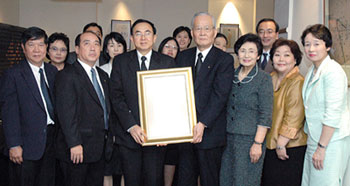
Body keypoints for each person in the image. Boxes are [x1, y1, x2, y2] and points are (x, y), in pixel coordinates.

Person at [110, 19, 175, 186]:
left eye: (148, 33)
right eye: (138, 33)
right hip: (129, 137)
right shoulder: (121, 61)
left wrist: (165, 131)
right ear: (132, 38)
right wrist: (131, 125)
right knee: (132, 181)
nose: (143, 37)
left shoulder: (167, 63)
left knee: (154, 180)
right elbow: (116, 97)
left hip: (157, 138)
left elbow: (172, 99)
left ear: (154, 38)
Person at [176, 12, 234, 186]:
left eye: (206, 28)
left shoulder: (224, 59)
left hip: (210, 133)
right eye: (198, 28)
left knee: (210, 180)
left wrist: (202, 123)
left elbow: (220, 95)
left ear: (214, 32)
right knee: (185, 179)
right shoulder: (183, 56)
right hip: (185, 134)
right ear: (192, 33)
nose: (202, 33)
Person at [0, 26, 58, 186]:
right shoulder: (13, 74)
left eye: (40, 44)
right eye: (31, 45)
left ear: (46, 47)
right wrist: (14, 144)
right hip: (26, 144)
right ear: (23, 48)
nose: (37, 50)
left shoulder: (52, 71)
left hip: (51, 141)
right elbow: (9, 113)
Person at [55, 31, 113, 186]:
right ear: (77, 49)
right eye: (87, 43)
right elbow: (66, 114)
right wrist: (74, 143)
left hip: (98, 148)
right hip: (78, 149)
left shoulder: (102, 75)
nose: (93, 48)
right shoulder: (67, 75)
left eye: (96, 44)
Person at [220, 33, 273, 186]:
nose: (246, 55)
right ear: (237, 53)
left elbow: (265, 114)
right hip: (228, 138)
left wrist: (257, 143)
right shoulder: (231, 74)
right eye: (243, 51)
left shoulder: (263, 78)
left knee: (246, 181)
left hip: (250, 140)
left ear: (258, 55)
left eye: (251, 51)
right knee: (226, 179)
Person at [300, 24, 350, 186]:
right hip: (315, 137)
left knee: (325, 182)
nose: (310, 49)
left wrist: (322, 148)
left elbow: (333, 113)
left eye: (316, 43)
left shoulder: (333, 72)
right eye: (307, 44)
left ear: (327, 46)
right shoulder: (312, 71)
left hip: (330, 141)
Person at [261, 38, 307, 186]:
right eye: (277, 54)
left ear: (295, 59)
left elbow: (294, 116)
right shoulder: (269, 78)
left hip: (288, 147)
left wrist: (281, 144)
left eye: (287, 55)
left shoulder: (297, 81)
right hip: (269, 144)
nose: (281, 59)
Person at [100, 32, 126, 186]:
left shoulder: (130, 69)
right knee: (107, 169)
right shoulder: (100, 71)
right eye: (111, 45)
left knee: (126, 168)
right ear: (106, 49)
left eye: (119, 45)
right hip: (106, 129)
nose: (115, 49)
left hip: (125, 127)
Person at [157, 36, 180, 186]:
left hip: (173, 123)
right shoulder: (151, 65)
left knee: (171, 156)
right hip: (154, 122)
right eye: (167, 46)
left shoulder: (181, 69)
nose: (171, 50)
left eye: (174, 48)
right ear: (160, 48)